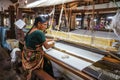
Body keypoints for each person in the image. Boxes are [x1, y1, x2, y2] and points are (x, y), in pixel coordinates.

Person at [22, 14, 55, 80]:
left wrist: (51, 39)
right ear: (39, 23)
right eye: (45, 24)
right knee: (48, 64)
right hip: (33, 58)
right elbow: (47, 46)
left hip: (26, 56)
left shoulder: (31, 31)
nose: (46, 26)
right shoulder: (39, 32)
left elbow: (41, 40)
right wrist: (53, 43)